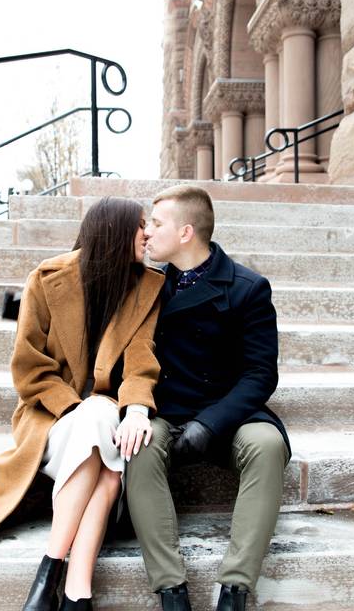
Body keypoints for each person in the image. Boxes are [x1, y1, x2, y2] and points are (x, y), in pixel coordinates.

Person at [0, 197, 166, 611]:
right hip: (52, 421)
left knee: (108, 450)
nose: (148, 233)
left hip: (106, 426)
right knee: (100, 426)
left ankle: (64, 583)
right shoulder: (46, 279)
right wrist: (75, 408)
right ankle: (68, 581)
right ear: (115, 232)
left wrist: (136, 409)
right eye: (140, 226)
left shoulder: (147, 286)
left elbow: (141, 360)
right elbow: (30, 370)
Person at [127, 184, 290, 611]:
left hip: (229, 410)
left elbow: (260, 373)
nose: (147, 233)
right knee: (137, 447)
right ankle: (171, 591)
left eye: (157, 224)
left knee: (268, 445)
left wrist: (210, 423)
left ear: (185, 232)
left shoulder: (248, 287)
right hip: (166, 408)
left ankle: (235, 589)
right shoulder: (147, 287)